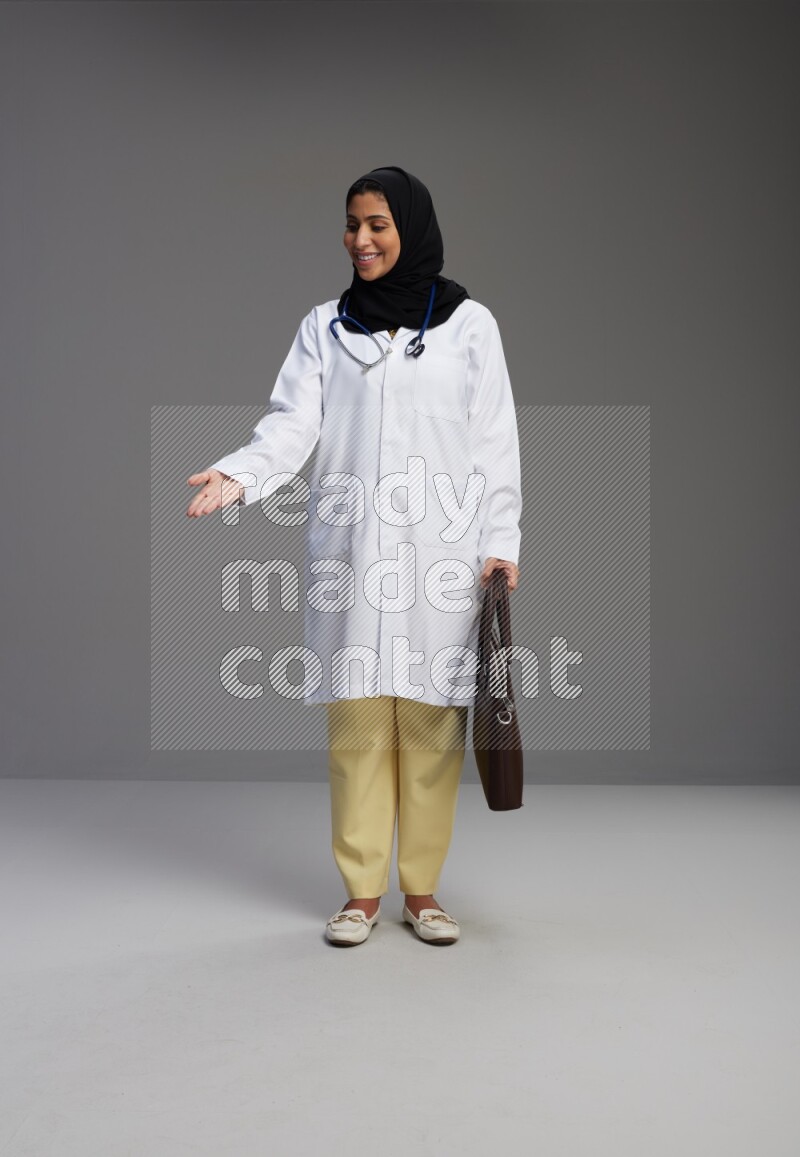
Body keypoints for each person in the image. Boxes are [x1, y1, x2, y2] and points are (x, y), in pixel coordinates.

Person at [186, 166, 521, 947]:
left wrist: (500, 543)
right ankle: (361, 893)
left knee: (433, 728)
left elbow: (496, 444)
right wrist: (241, 472)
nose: (361, 239)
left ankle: (424, 891)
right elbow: (291, 425)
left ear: (410, 228)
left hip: (443, 552)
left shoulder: (470, 328)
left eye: (377, 225)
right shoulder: (325, 328)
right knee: (360, 725)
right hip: (354, 551)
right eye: (352, 224)